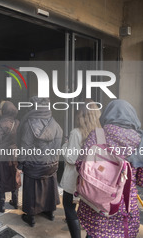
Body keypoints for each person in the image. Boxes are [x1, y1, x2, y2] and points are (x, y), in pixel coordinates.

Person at [76, 99, 143, 238]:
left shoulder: (97, 134)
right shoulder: (139, 141)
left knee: (94, 233)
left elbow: (80, 165)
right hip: (124, 205)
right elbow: (142, 180)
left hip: (95, 202)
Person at [17, 96, 63, 227]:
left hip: (34, 165)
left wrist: (20, 164)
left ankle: (31, 217)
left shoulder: (28, 124)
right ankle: (50, 213)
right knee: (49, 187)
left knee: (32, 189)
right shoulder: (54, 123)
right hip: (51, 164)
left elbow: (25, 147)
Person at [60, 100, 101, 238]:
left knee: (69, 208)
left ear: (81, 115)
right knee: (91, 212)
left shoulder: (76, 133)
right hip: (92, 181)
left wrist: (65, 146)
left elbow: (72, 159)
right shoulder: (101, 133)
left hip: (74, 180)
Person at [0, 101, 20, 213]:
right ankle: (15, 202)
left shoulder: (0, 123)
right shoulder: (17, 122)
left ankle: (1, 205)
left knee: (1, 177)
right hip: (14, 152)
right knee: (14, 175)